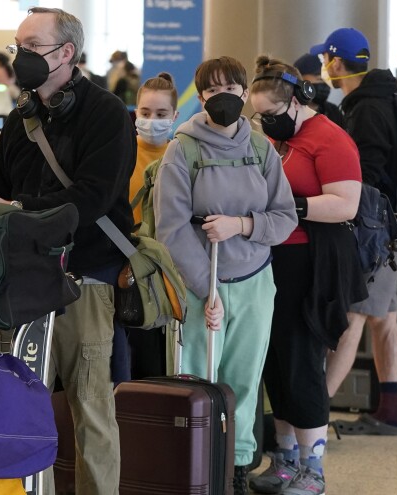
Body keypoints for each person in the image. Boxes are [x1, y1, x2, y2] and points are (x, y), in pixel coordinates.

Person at [0, 8, 136, 494]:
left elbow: (92, 198)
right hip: (22, 281)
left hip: (85, 279)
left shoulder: (105, 112)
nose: (20, 57)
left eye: (31, 47)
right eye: (15, 46)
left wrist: (16, 207)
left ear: (66, 53)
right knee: (13, 405)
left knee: (91, 409)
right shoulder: (22, 115)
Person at [152, 55, 296, 495]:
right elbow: (171, 229)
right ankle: (193, 465)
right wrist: (206, 290)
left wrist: (243, 225)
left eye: (230, 88)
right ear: (202, 97)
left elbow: (285, 217)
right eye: (211, 90)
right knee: (196, 378)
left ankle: (234, 468)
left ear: (244, 91)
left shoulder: (260, 148)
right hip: (201, 285)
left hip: (255, 282)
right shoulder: (183, 149)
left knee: (244, 380)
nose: (222, 97)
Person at [246, 55, 365, 495]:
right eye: (259, 116)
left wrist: (292, 207)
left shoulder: (329, 139)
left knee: (300, 361)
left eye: (273, 115)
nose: (266, 123)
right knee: (274, 359)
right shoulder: (277, 139)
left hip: (312, 259)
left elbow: (345, 204)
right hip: (271, 256)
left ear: (297, 101)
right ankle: (284, 459)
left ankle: (313, 469)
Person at [313, 28, 397, 437]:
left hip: (380, 230)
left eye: (325, 60)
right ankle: (390, 408)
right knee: (383, 316)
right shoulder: (386, 97)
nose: (323, 67)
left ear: (337, 63)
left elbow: (367, 175)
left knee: (354, 313)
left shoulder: (367, 108)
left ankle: (313, 418)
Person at [127, 71, 179, 380]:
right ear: (136, 113)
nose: (152, 120)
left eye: (161, 114)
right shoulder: (121, 152)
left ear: (175, 115)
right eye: (145, 113)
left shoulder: (181, 155)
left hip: (169, 265)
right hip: (128, 262)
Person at [293, 53, 344, 127]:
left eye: (326, 79)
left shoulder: (333, 112)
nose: (324, 84)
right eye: (319, 79)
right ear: (300, 78)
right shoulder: (290, 112)